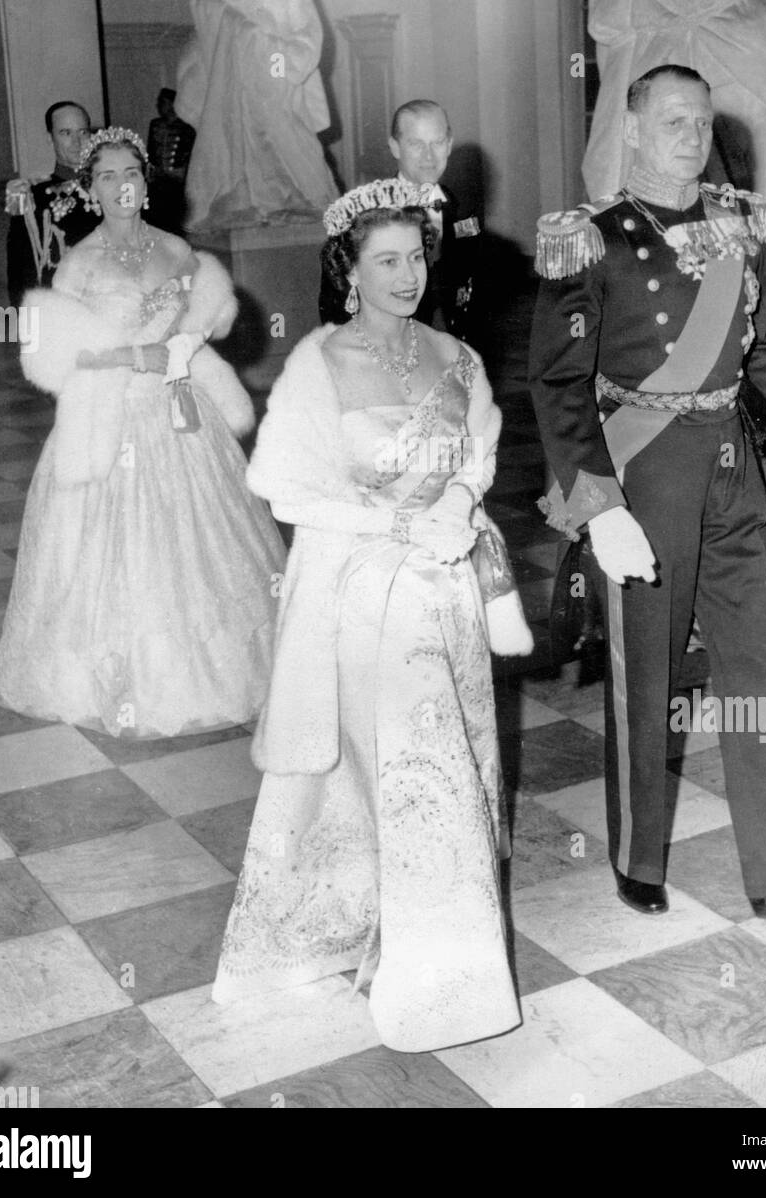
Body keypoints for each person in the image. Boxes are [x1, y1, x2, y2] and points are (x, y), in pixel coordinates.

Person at [529, 64, 766, 930]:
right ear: (634, 126)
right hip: (645, 469)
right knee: (646, 670)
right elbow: (559, 383)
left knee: (762, 665)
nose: (690, 136)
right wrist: (599, 505)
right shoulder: (593, 238)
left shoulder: (736, 231)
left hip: (732, 466)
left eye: (700, 122)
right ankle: (636, 855)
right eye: (672, 121)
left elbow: (761, 356)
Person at [213, 178, 530, 1052]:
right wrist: (392, 520)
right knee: (396, 772)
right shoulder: (320, 361)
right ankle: (422, 974)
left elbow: (480, 455)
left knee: (454, 766)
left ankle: (435, 952)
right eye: (384, 260)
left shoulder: (455, 357)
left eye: (415, 256)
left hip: (449, 589)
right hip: (363, 594)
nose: (406, 274)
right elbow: (280, 485)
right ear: (348, 272)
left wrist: (458, 506)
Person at [0, 126, 285, 739]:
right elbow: (60, 358)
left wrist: (188, 342)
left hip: (182, 413)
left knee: (204, 543)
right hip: (112, 415)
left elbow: (208, 319)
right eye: (106, 177)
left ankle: (216, 669)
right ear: (91, 190)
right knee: (115, 552)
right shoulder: (78, 262)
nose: (120, 186)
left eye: (131, 174)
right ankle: (124, 677)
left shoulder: (180, 252)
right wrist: (135, 357)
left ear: (145, 186)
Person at [389, 99, 484, 344]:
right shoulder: (371, 214)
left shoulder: (462, 209)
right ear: (395, 147)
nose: (429, 156)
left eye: (438, 143)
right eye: (416, 144)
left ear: (449, 145)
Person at [5, 102, 100, 307]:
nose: (77, 142)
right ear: (50, 138)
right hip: (60, 309)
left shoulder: (112, 188)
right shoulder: (31, 195)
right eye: (65, 133)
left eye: (83, 132)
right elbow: (20, 270)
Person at [146, 88, 196, 233]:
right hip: (158, 179)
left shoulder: (186, 127)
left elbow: (188, 154)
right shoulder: (155, 124)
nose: (159, 106)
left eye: (163, 102)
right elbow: (150, 151)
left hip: (177, 178)